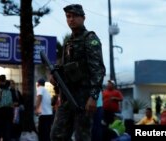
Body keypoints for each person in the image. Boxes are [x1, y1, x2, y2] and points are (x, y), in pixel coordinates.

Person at [49, 4, 106, 141]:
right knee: (57, 135)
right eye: (68, 16)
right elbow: (66, 68)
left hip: (84, 98)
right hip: (67, 97)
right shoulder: (69, 42)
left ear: (83, 18)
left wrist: (93, 97)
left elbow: (98, 69)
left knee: (82, 137)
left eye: (74, 16)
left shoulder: (90, 38)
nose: (71, 19)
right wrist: (55, 76)